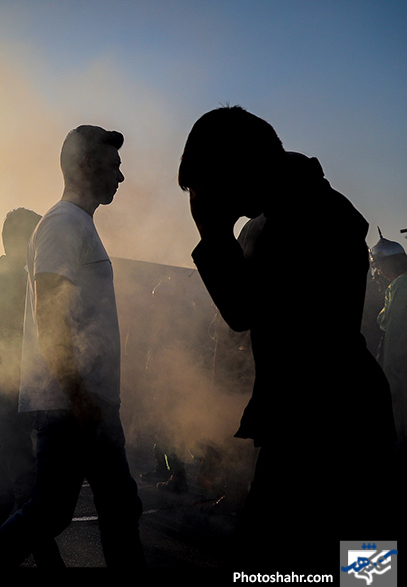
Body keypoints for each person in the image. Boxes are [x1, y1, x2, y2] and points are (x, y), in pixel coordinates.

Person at [179, 106, 396, 570]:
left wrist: (211, 231)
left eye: (209, 188)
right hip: (311, 421)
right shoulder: (272, 216)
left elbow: (243, 311)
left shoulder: (319, 214)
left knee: (359, 570)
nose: (213, 201)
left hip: (337, 424)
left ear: (238, 168)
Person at [0, 125, 143, 568]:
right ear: (86, 165)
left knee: (106, 507)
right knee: (57, 510)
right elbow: (50, 313)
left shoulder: (77, 223)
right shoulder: (63, 222)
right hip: (74, 403)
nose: (120, 176)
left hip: (84, 401)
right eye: (114, 165)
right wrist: (78, 392)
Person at [0, 208, 64, 565]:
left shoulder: (17, 282)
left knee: (3, 494)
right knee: (27, 493)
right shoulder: (6, 285)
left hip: (17, 399)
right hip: (10, 400)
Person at [369, 232, 407, 460]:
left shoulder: (400, 288)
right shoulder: (397, 287)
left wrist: (391, 382)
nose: (379, 273)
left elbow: (396, 345)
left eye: (380, 267)